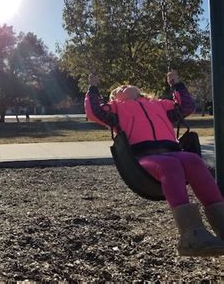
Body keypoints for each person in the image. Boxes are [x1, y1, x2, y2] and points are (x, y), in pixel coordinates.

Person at [85, 70, 224, 257]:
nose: (124, 86)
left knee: (193, 160)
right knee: (169, 165)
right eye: (119, 89)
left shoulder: (159, 105)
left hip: (172, 150)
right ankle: (191, 235)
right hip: (144, 157)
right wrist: (93, 87)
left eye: (127, 85)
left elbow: (187, 107)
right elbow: (94, 111)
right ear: (115, 97)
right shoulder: (116, 109)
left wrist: (177, 84)